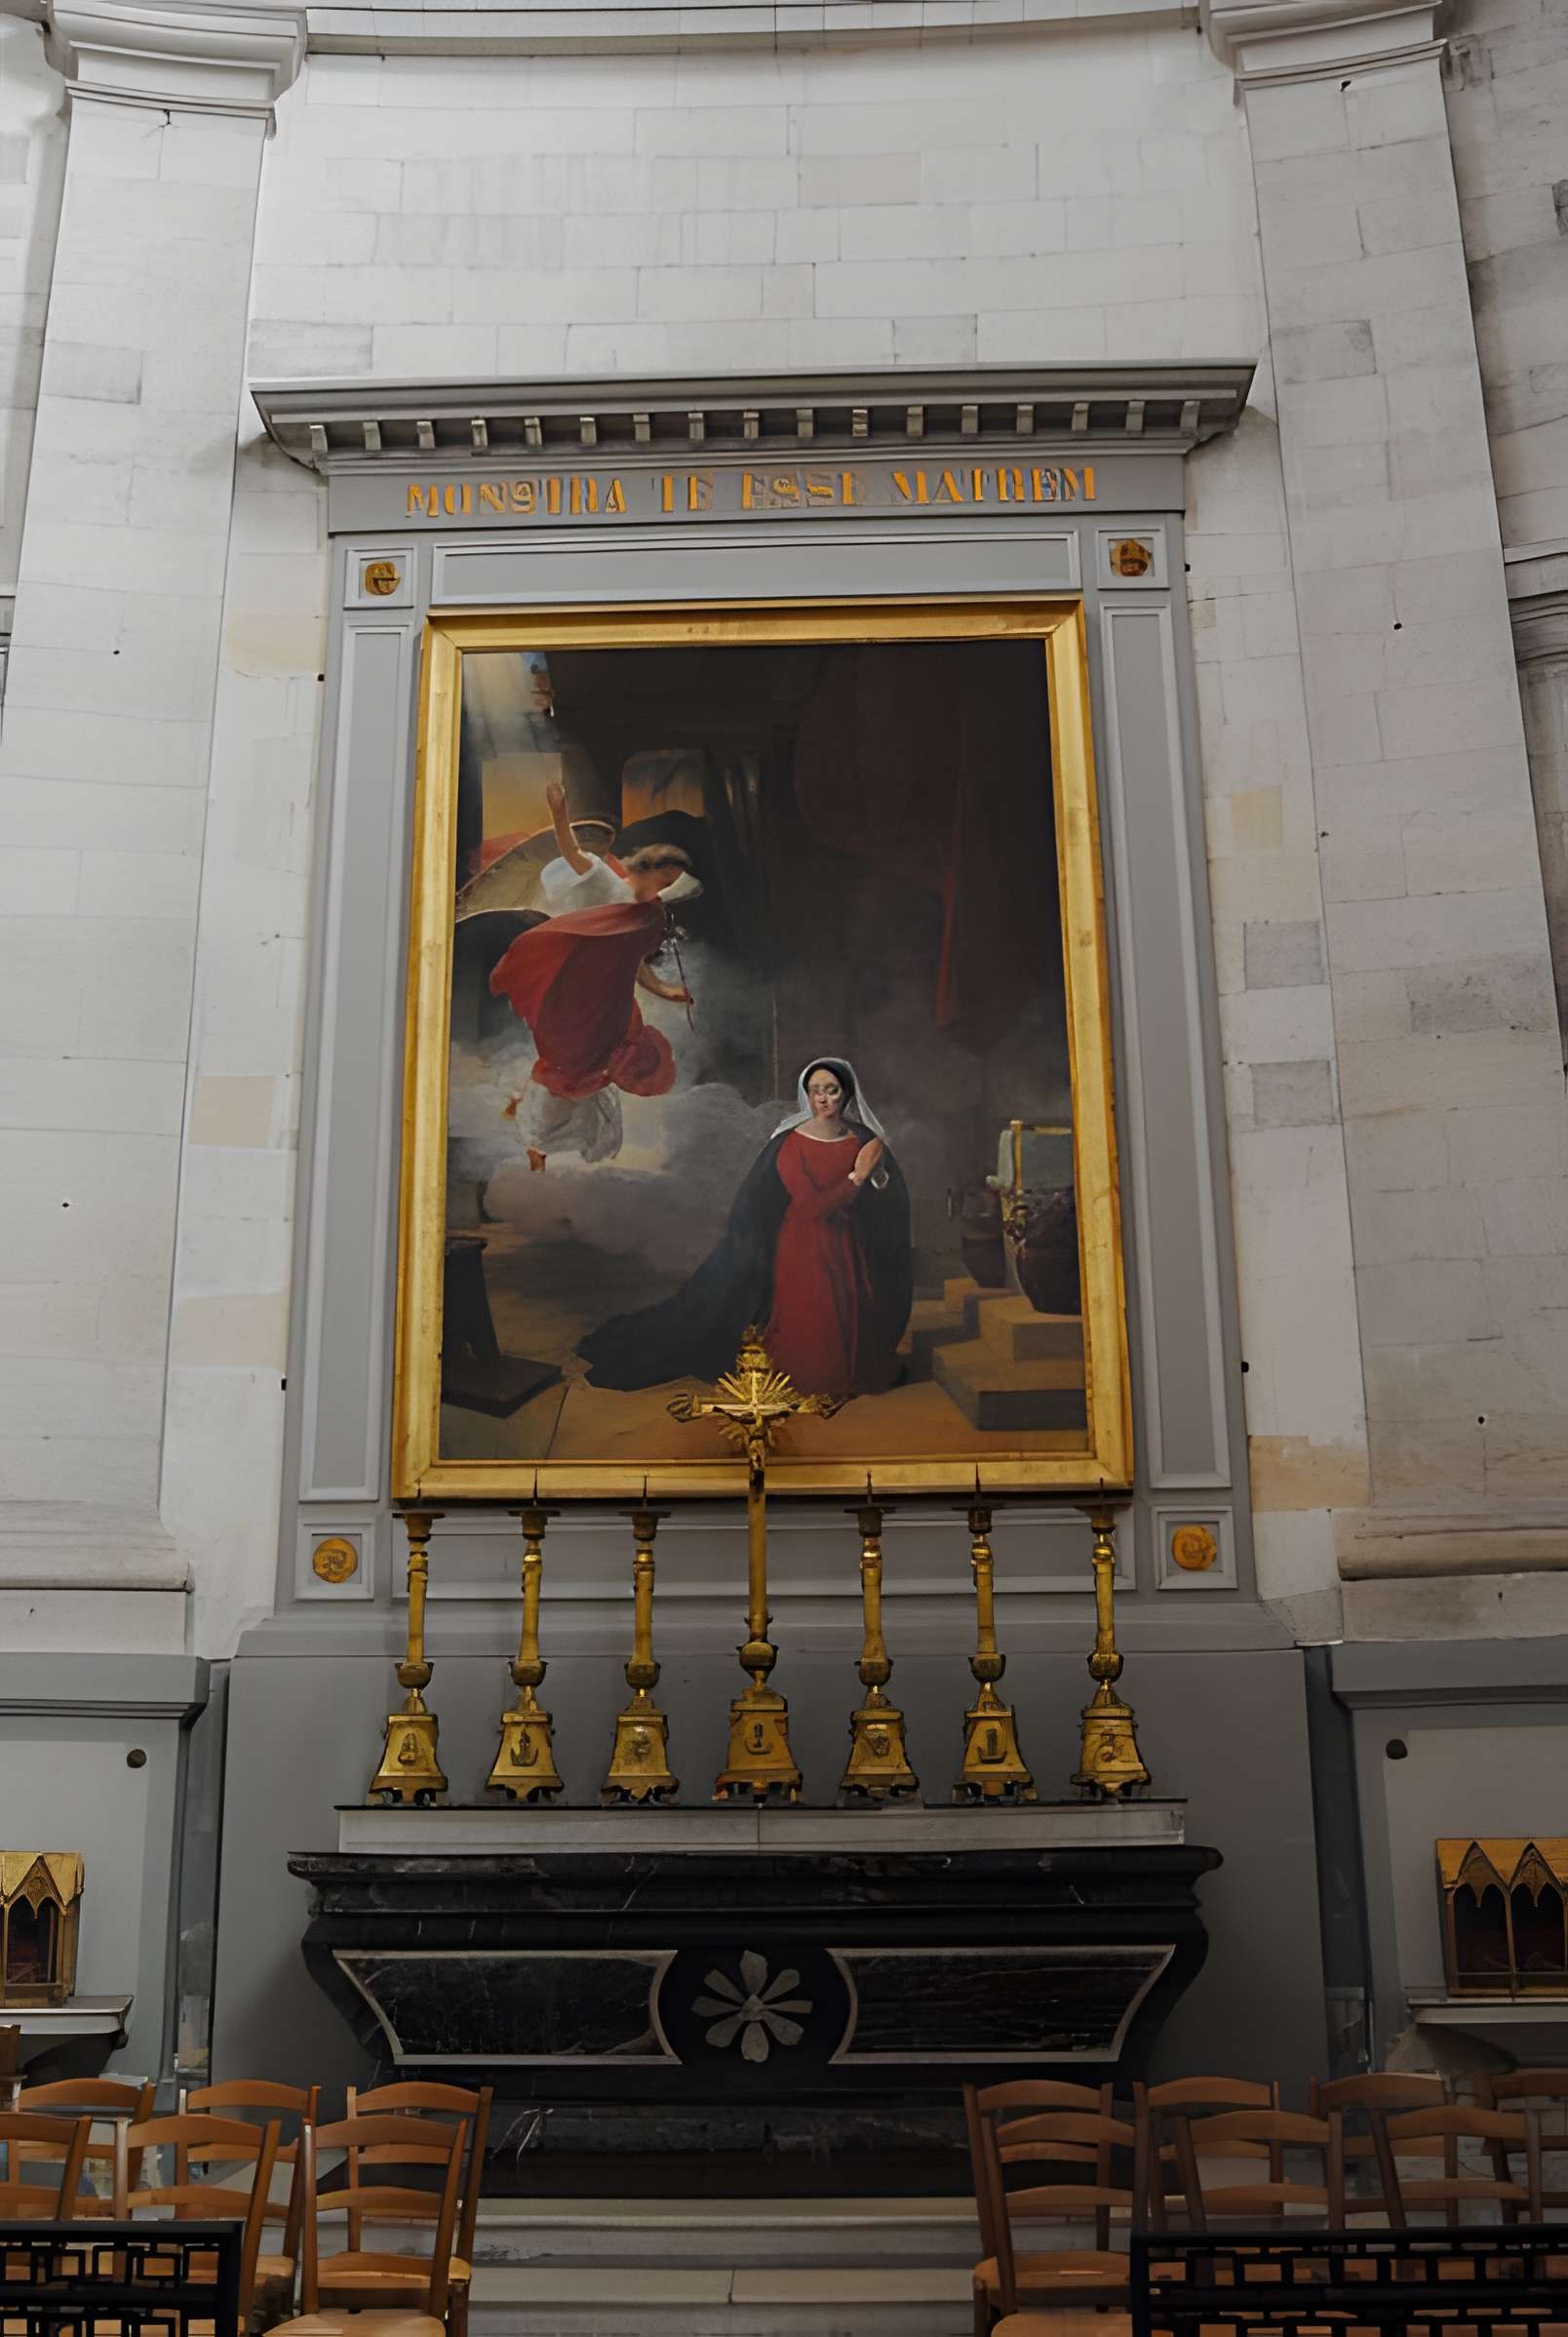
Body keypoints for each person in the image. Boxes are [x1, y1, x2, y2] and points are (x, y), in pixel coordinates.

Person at [577, 1057, 912, 1400]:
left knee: (852, 1327)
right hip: (804, 1247)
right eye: (816, 1092)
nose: (824, 1099)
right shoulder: (790, 1144)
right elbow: (810, 1207)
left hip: (846, 1244)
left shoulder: (862, 1140)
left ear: (847, 1093)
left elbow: (881, 1202)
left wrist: (874, 1179)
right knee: (817, 1353)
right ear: (807, 1096)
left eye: (832, 1090)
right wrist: (858, 1176)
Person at [490, 777, 700, 1169]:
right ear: (648, 869)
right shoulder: (605, 880)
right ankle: (535, 1134)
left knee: (596, 1069)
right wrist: (558, 812)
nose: (664, 890)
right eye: (664, 880)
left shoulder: (647, 914)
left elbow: (633, 961)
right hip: (572, 993)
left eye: (670, 885)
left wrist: (665, 990)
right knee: (567, 1065)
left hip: (611, 1003)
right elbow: (570, 850)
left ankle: (561, 1137)